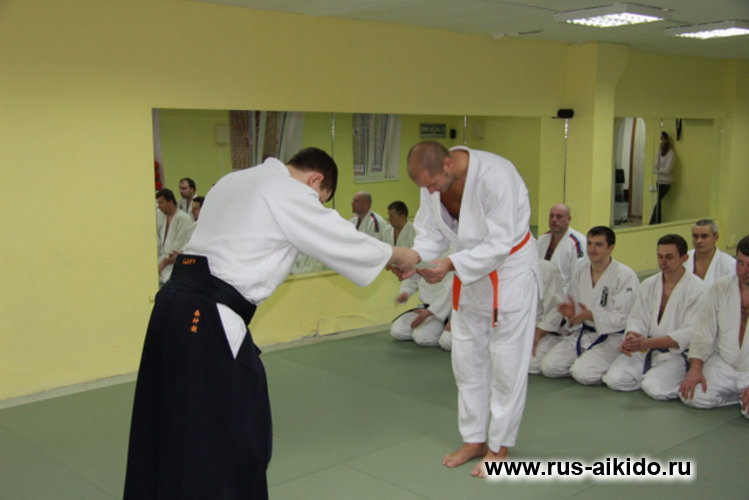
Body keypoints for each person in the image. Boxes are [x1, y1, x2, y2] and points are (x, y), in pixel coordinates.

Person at [124, 148, 420, 499]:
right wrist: (399, 254)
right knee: (230, 432)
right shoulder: (287, 190)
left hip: (172, 305)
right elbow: (337, 235)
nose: (315, 207)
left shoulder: (234, 180)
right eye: (319, 200)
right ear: (316, 181)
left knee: (166, 420)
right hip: (208, 315)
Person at [402, 141, 540, 477]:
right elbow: (430, 233)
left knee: (507, 366)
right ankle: (474, 439)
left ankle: (499, 448)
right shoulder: (433, 182)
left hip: (509, 273)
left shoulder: (496, 176)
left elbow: (499, 243)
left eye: (432, 184)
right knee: (467, 363)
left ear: (448, 164)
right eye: (424, 187)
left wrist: (449, 263)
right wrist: (415, 260)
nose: (429, 192)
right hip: (468, 273)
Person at [603, 234, 707, 399]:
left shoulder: (698, 289)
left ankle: (661, 381)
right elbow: (637, 318)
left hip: (675, 355)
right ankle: (649, 377)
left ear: (684, 258)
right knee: (613, 379)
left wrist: (647, 343)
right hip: (644, 349)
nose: (663, 262)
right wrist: (632, 336)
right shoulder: (649, 284)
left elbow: (689, 332)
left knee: (653, 388)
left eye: (669, 257)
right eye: (660, 256)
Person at [540, 226, 638, 385]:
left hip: (611, 337)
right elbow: (575, 307)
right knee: (549, 367)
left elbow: (623, 317)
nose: (592, 249)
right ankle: (587, 361)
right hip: (584, 333)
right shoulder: (581, 271)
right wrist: (571, 315)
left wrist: (592, 316)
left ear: (611, 248)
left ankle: (609, 363)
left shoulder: (625, 276)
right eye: (590, 244)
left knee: (582, 374)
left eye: (598, 245)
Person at [679, 235, 749, 419]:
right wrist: (695, 368)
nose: (744, 270)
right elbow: (704, 329)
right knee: (691, 396)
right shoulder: (721, 287)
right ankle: (737, 396)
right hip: (724, 363)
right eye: (740, 263)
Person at [392, 249, 453, 348]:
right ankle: (436, 329)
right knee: (398, 331)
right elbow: (413, 278)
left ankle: (445, 329)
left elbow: (452, 292)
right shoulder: (424, 250)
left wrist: (432, 311)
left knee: (423, 338)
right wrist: (406, 292)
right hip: (425, 307)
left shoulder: (453, 253)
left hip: (447, 309)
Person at [528, 259, 568, 374]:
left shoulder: (546, 269)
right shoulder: (501, 267)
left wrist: (537, 335)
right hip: (513, 331)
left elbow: (556, 309)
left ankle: (560, 347)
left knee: (530, 364)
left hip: (543, 332)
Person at [536, 203, 586, 292]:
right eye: (552, 216)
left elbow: (579, 278)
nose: (554, 220)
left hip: (564, 295)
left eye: (559, 217)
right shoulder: (541, 240)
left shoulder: (577, 242)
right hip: (541, 292)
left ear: (569, 219)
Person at [155, 188, 194, 285]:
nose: (159, 206)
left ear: (170, 201)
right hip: (163, 268)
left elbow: (178, 248)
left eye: (161, 203)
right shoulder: (164, 218)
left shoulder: (184, 218)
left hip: (175, 267)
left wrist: (162, 264)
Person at [684, 219, 735, 286]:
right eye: (695, 236)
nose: (699, 241)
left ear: (716, 237)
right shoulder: (683, 259)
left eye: (704, 236)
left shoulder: (729, 264)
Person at [649, 131, 674, 224]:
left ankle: (653, 222)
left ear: (666, 140)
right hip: (659, 181)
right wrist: (660, 170)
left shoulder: (671, 153)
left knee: (658, 201)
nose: (660, 141)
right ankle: (657, 222)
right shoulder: (660, 152)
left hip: (666, 182)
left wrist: (659, 169)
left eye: (662, 139)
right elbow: (654, 167)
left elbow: (668, 169)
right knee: (658, 203)